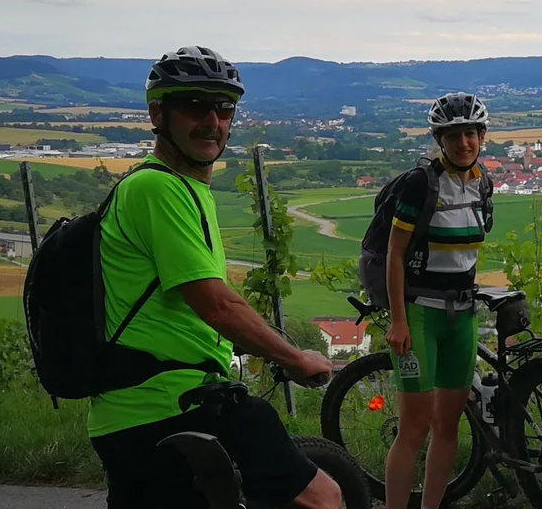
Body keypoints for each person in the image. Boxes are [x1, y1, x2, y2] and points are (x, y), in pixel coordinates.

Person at [86, 46, 342, 509]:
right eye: (194, 105)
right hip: (175, 404)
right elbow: (216, 304)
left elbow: (181, 307)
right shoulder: (157, 187)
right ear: (157, 114)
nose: (212, 120)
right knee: (323, 498)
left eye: (224, 108)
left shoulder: (185, 188)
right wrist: (294, 358)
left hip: (132, 412)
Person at [381, 92, 494, 509]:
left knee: (449, 427)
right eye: (452, 135)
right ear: (439, 140)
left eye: (470, 134)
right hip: (420, 315)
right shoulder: (421, 184)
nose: (463, 142)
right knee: (414, 427)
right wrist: (398, 320)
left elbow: (467, 255)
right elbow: (395, 253)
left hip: (462, 315)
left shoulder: (483, 183)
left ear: (481, 136)